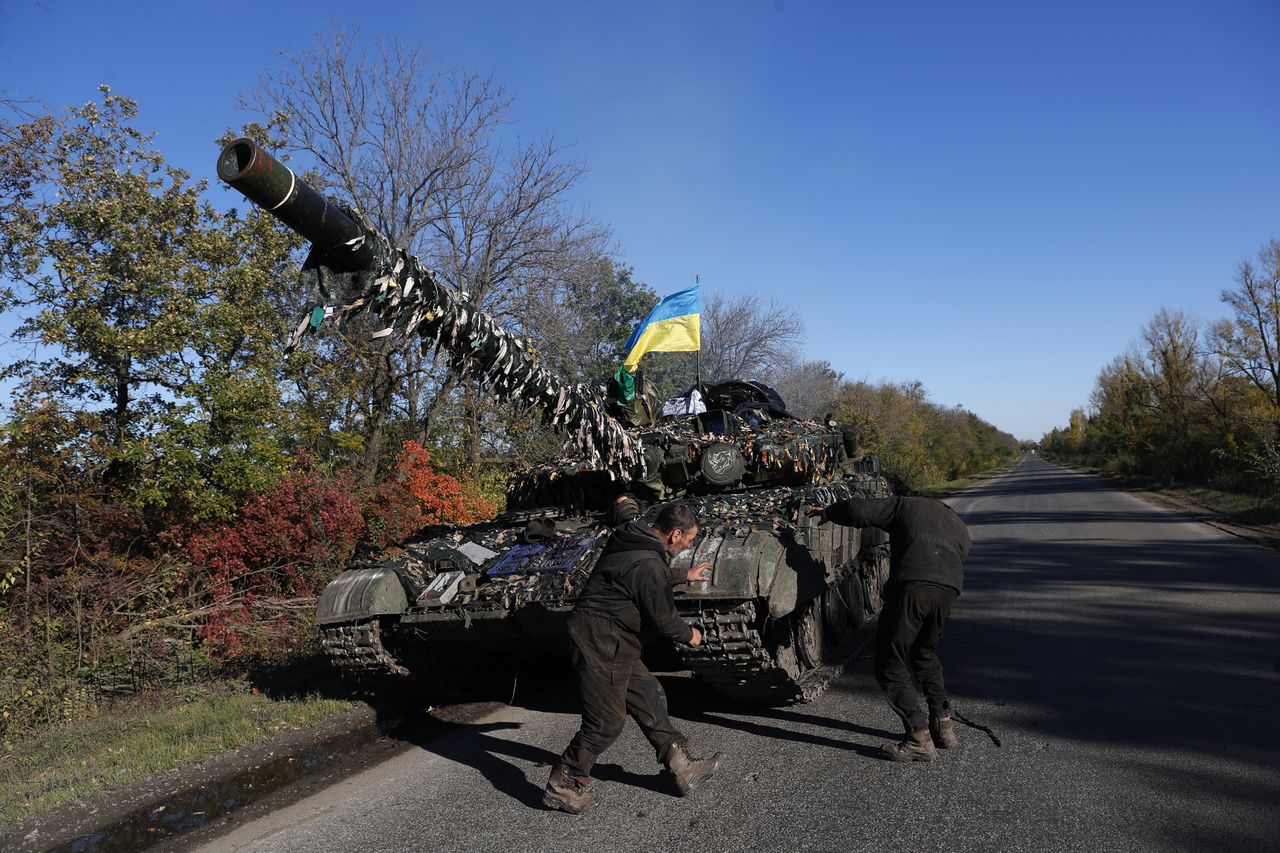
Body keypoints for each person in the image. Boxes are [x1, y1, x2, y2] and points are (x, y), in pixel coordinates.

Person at [544, 502, 725, 814]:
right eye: (689, 540)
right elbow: (666, 620)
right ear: (675, 534)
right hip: (600, 640)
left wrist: (684, 574)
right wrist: (691, 635)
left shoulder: (633, 534)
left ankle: (682, 767)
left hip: (613, 637)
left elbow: (640, 561)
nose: (689, 545)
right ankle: (564, 783)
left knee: (649, 695)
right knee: (606, 722)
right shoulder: (650, 565)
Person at [807, 495, 970, 763]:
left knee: (889, 663)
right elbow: (962, 555)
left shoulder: (906, 505)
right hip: (947, 592)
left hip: (913, 587)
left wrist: (830, 511)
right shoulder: (956, 522)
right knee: (925, 654)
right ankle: (944, 726)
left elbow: (860, 510)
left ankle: (919, 738)